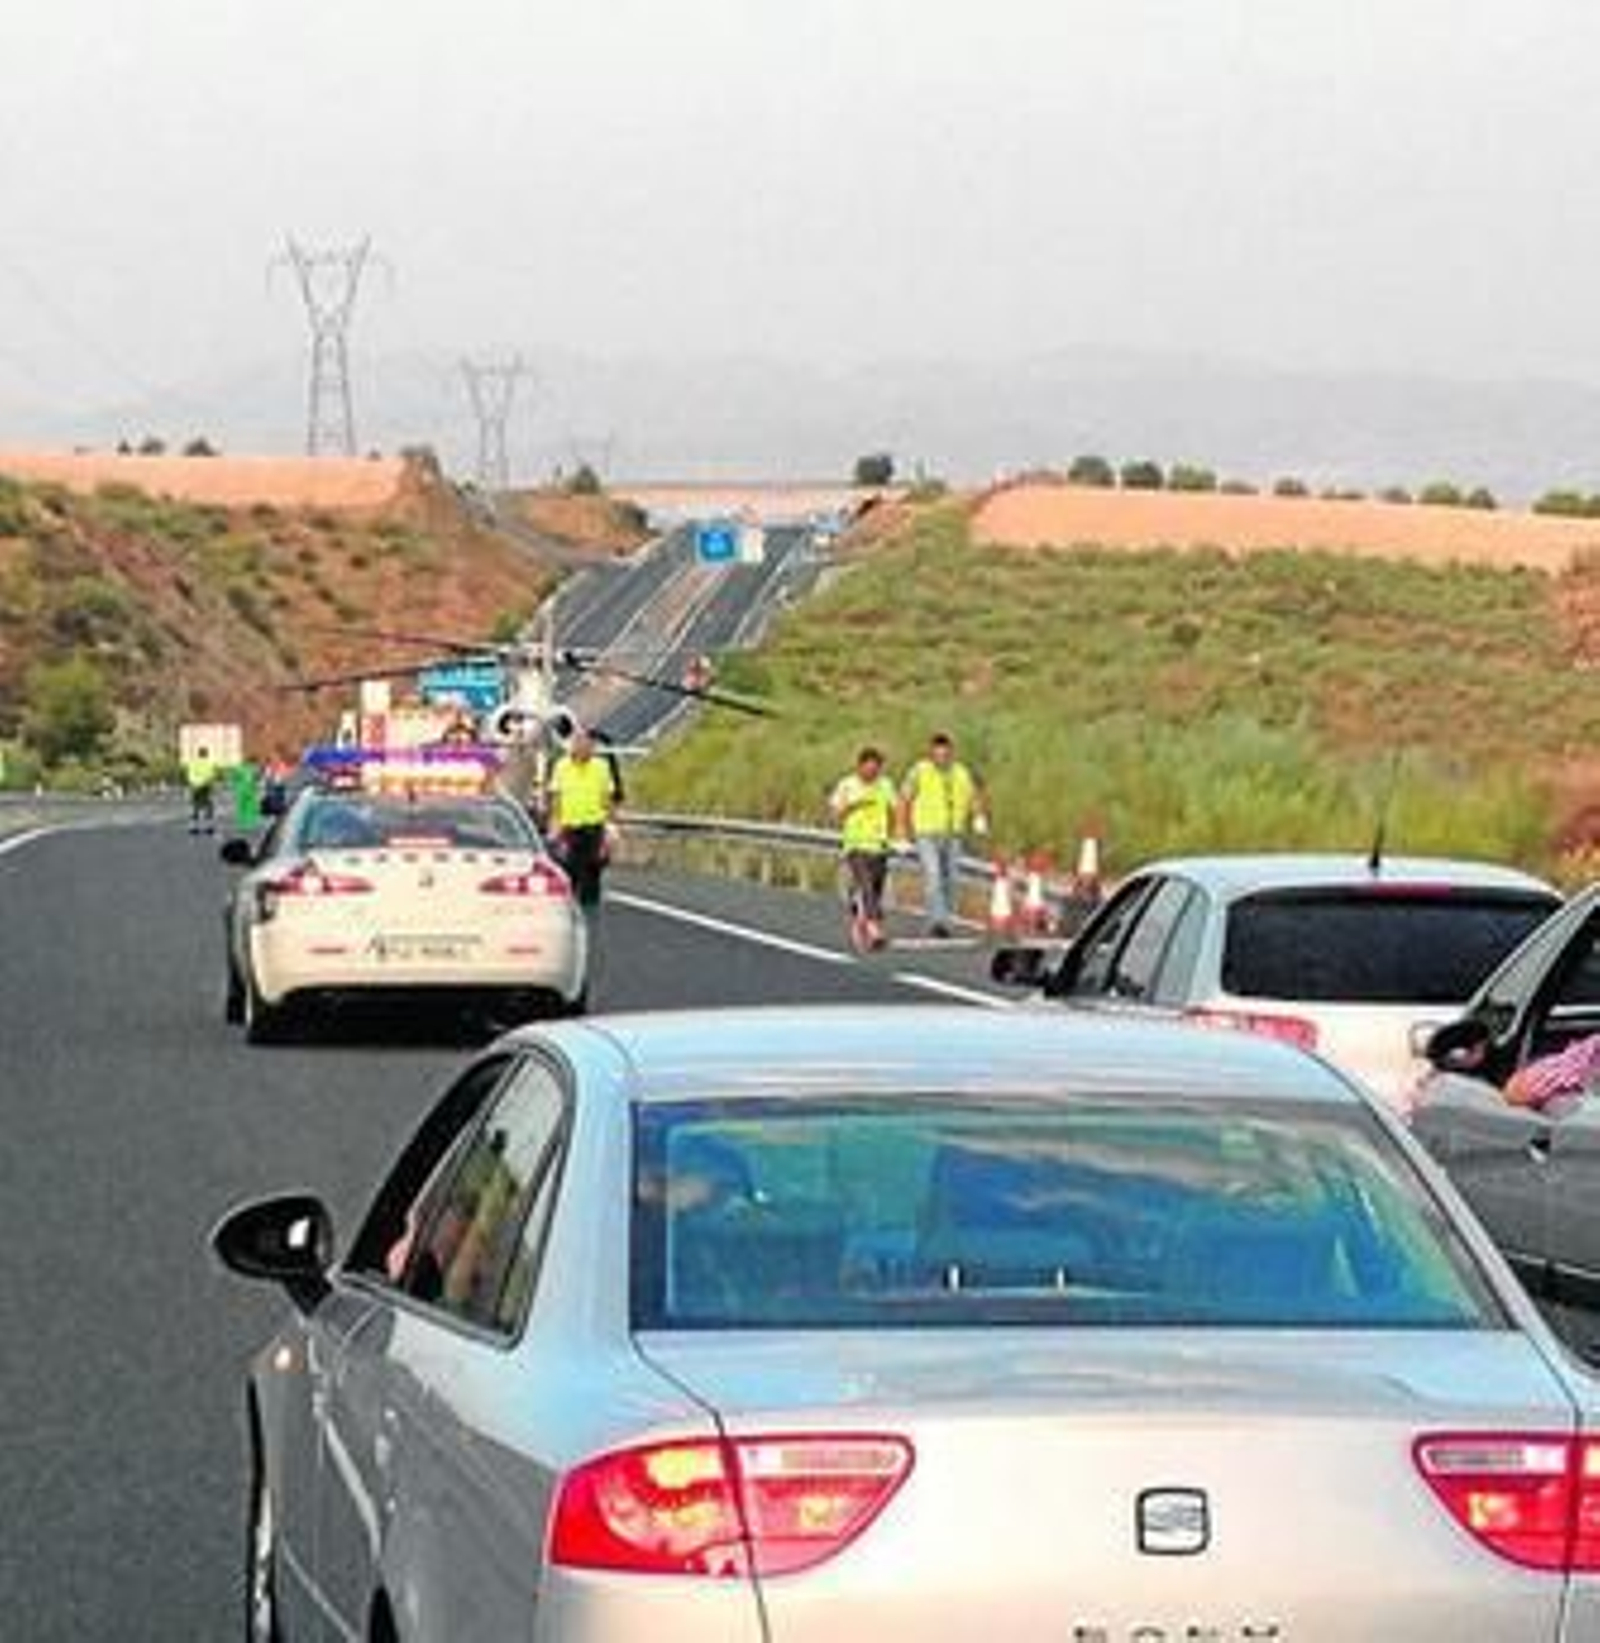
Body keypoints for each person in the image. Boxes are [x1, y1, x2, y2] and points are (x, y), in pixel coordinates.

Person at [899, 732, 990, 937]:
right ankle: (938, 921)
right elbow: (904, 800)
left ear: (951, 754)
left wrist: (979, 817)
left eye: (945, 755)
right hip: (926, 833)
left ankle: (944, 918)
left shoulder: (961, 772)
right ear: (931, 754)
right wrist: (902, 831)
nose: (941, 758)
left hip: (953, 834)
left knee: (951, 879)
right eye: (937, 755)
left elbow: (974, 796)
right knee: (933, 876)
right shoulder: (919, 771)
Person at [830, 746, 898, 953]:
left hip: (879, 844)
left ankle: (859, 909)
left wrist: (895, 837)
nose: (872, 774)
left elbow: (894, 810)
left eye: (876, 770)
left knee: (876, 889)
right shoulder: (847, 785)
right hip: (856, 844)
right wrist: (854, 806)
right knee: (867, 885)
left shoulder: (886, 785)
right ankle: (874, 929)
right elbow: (835, 815)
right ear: (859, 767)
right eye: (868, 770)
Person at [547, 728, 620, 911]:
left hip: (594, 828)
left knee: (592, 873)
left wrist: (610, 828)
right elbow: (556, 799)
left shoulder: (601, 767)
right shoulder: (561, 766)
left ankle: (590, 911)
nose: (584, 749)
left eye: (588, 745)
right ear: (572, 747)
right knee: (568, 873)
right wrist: (555, 827)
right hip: (569, 829)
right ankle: (569, 911)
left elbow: (608, 798)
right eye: (579, 744)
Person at [184, 744, 219, 836]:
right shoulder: (209, 763)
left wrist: (193, 784)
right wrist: (210, 784)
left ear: (198, 754)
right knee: (208, 807)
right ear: (206, 754)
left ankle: (193, 827)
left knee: (195, 807)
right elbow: (212, 776)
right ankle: (209, 827)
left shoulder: (193, 763)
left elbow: (190, 776)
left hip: (196, 787)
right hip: (206, 787)